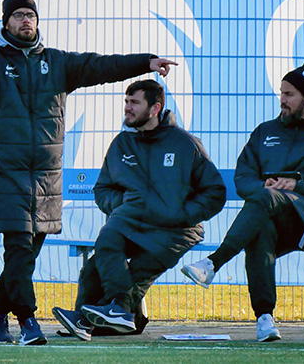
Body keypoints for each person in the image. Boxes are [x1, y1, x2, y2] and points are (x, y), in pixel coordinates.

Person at [0, 0, 178, 345]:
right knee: (19, 247)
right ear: (5, 22)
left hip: (47, 176)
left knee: (27, 253)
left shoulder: (58, 63)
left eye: (29, 15)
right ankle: (28, 320)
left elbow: (103, 65)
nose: (25, 21)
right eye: (17, 15)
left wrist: (147, 62)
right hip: (8, 173)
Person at [181, 61, 304, 342]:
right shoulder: (265, 132)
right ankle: (264, 318)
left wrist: (297, 186)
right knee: (259, 229)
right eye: (281, 92)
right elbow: (243, 177)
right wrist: (264, 186)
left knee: (265, 200)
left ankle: (213, 263)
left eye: (289, 94)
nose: (282, 100)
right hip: (268, 214)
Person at [51, 79, 227, 341]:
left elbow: (215, 192)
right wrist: (123, 206)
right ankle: (114, 313)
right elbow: (102, 190)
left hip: (174, 231)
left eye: (134, 102)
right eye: (126, 102)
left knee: (129, 275)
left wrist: (181, 214)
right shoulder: (121, 143)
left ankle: (98, 318)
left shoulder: (185, 143)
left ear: (155, 108)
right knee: (102, 252)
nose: (127, 108)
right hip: (131, 222)